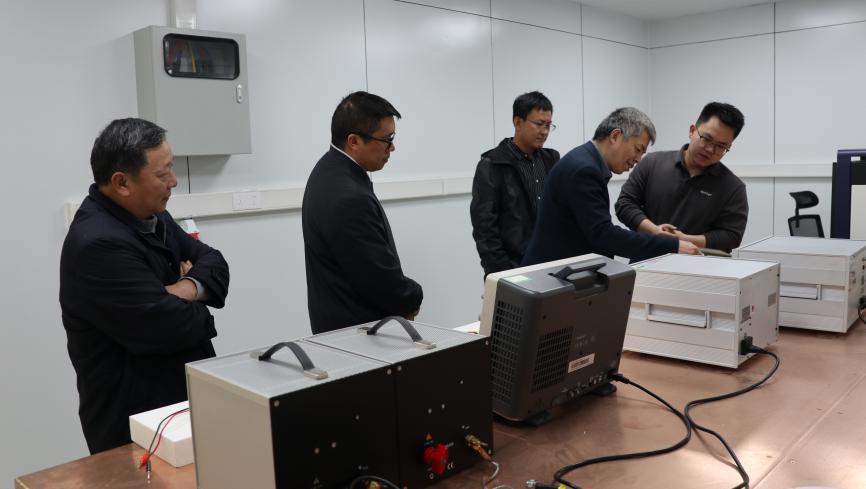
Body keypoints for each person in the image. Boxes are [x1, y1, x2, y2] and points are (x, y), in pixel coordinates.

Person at [59, 118, 230, 454]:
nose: (174, 181)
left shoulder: (152, 215)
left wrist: (183, 289)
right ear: (122, 183)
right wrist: (197, 305)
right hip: (134, 424)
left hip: (178, 405)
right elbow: (167, 327)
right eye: (163, 173)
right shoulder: (97, 244)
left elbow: (214, 261)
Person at [303, 91, 423, 334]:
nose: (392, 147)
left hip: (336, 326)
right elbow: (377, 277)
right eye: (386, 139)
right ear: (354, 141)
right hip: (360, 333)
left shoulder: (327, 170)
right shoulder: (348, 196)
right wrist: (412, 296)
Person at [522, 107, 700, 266]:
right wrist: (672, 246)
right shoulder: (584, 170)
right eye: (638, 149)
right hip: (549, 278)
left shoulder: (584, 159)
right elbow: (604, 235)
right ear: (615, 136)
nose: (638, 160)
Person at [615, 102, 748, 252]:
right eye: (706, 138)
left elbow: (731, 236)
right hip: (645, 259)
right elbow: (624, 204)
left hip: (699, 264)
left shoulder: (733, 188)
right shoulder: (652, 163)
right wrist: (654, 230)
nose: (710, 149)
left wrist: (683, 239)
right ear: (692, 131)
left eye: (721, 146)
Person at [470, 91, 561, 276]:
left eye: (548, 125)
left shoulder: (552, 159)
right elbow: (485, 228)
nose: (544, 131)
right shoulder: (493, 163)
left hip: (551, 263)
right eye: (539, 124)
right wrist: (502, 272)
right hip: (513, 268)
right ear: (518, 122)